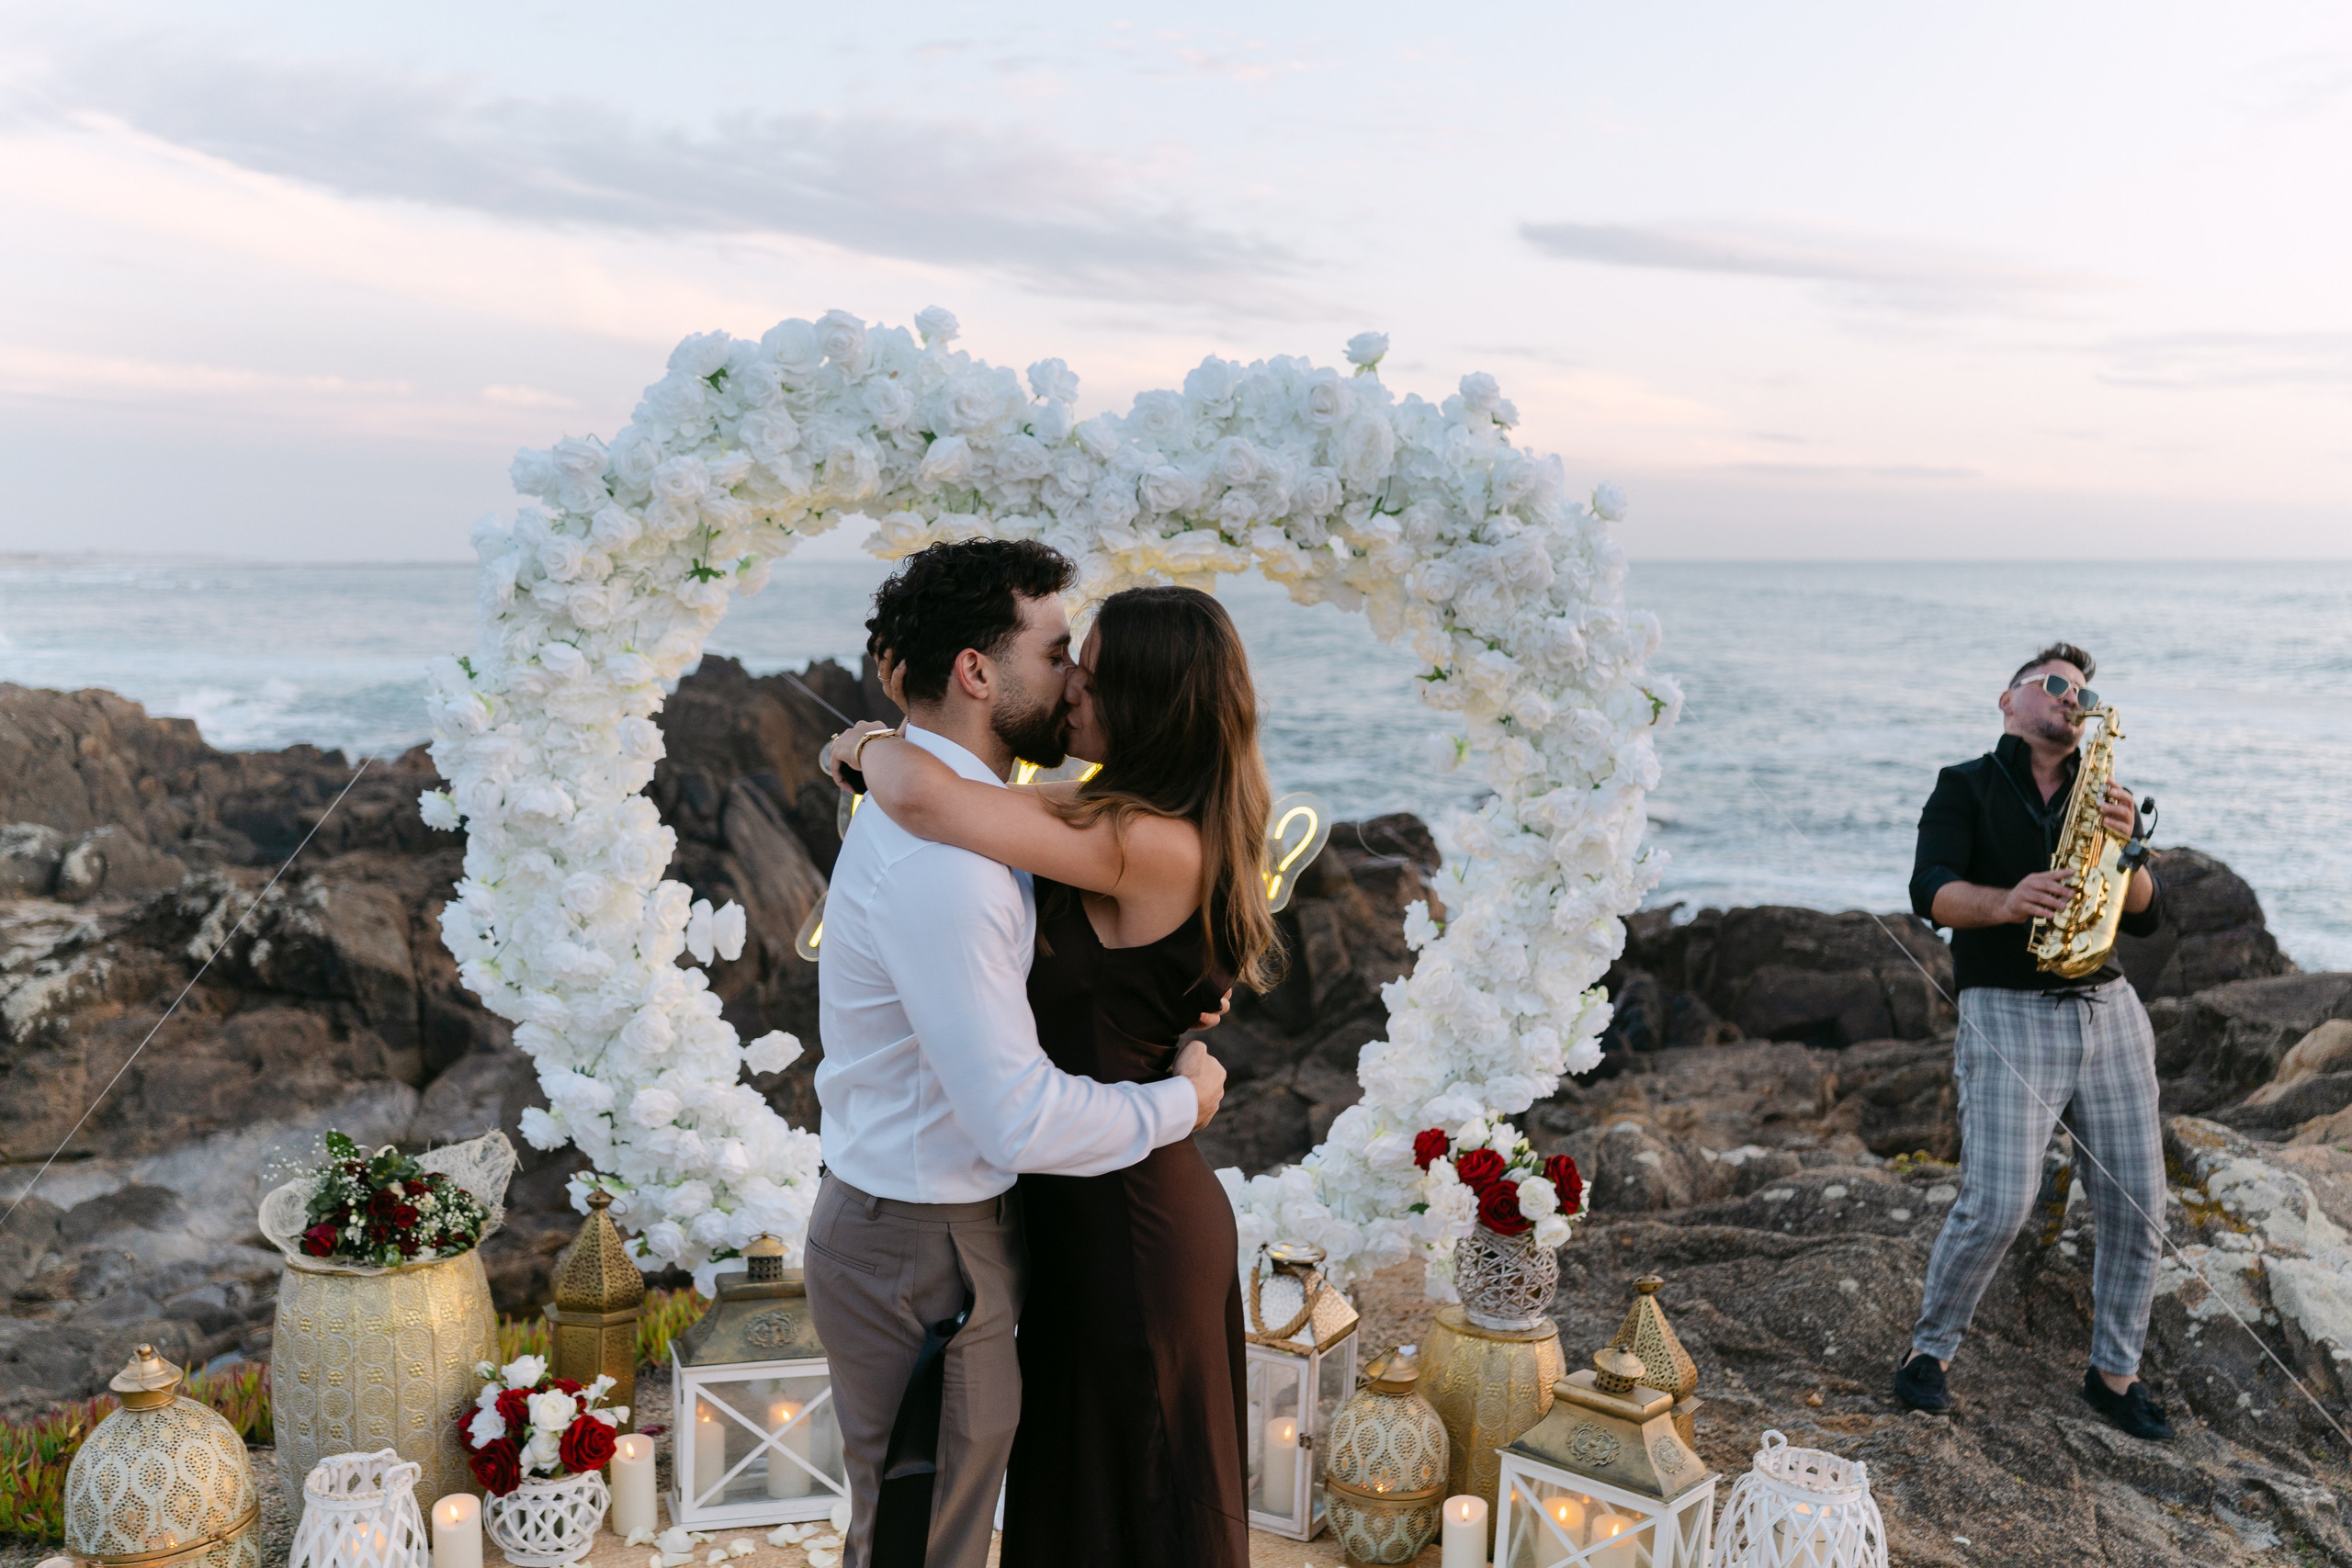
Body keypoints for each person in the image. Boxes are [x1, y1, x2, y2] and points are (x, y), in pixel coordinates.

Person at [803, 539, 1232, 1568]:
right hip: (930, 1243)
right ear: (976, 672)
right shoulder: (958, 860)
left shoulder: (1008, 823)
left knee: (957, 1522)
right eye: (1055, 652)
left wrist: (867, 747)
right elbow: (1017, 1118)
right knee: (927, 1537)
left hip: (1003, 1227)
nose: (1071, 679)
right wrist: (1188, 1100)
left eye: (1086, 664)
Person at [1897, 641, 2172, 1440]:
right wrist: (2010, 900)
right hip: (2009, 1009)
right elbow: (1930, 892)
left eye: (2080, 690)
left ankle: (2114, 1375)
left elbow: (2149, 911)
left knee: (2140, 1206)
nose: (2069, 698)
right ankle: (1930, 1353)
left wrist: (2130, 847)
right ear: (2008, 701)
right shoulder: (1965, 786)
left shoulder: (2104, 791)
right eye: (2053, 685)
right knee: (1998, 1204)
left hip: (2109, 1010)